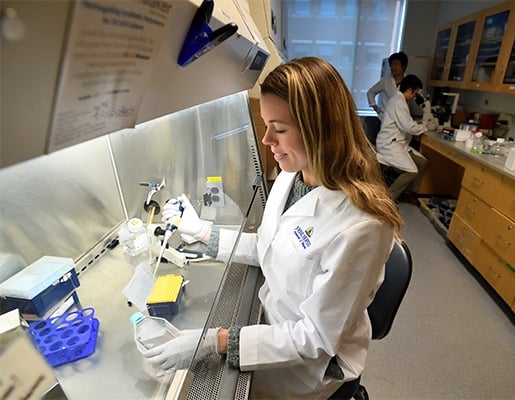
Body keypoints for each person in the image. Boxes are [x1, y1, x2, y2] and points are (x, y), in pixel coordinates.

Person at [145, 57, 404, 399]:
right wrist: (203, 233)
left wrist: (217, 340)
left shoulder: (363, 225)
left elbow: (316, 338)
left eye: (279, 129)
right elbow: (271, 246)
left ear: (320, 128)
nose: (267, 139)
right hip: (276, 325)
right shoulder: (290, 177)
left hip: (311, 364)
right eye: (266, 125)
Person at [376, 74, 438, 203]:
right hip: (390, 144)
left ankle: (408, 192)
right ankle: (387, 200)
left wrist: (421, 124)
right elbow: (408, 127)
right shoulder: (398, 102)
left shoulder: (399, 101)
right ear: (409, 89)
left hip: (399, 143)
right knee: (411, 171)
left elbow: (407, 123)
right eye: (415, 93)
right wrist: (427, 127)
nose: (415, 97)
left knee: (422, 162)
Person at [366, 52, 408, 117]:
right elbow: (370, 92)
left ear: (403, 66)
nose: (393, 67)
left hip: (401, 117)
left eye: (396, 64)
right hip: (385, 117)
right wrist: (375, 107)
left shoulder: (409, 81)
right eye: (391, 65)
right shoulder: (385, 81)